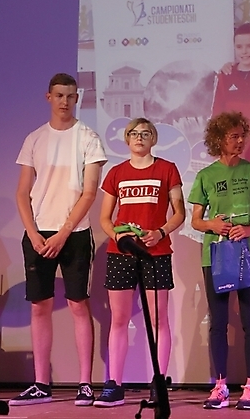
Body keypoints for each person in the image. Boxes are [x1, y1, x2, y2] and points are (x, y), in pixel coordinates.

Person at [10, 73, 107, 407]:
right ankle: (41, 383)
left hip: (74, 233)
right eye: (59, 95)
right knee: (40, 306)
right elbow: (22, 193)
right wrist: (33, 232)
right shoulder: (34, 138)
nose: (64, 101)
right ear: (48, 97)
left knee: (79, 304)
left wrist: (64, 232)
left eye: (70, 96)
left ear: (77, 98)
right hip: (39, 233)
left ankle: (85, 383)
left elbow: (89, 192)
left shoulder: (88, 137)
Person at [94, 118, 185, 407]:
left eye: (145, 133)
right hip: (120, 254)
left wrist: (160, 232)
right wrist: (119, 238)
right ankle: (114, 384)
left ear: (153, 139)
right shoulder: (116, 172)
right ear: (126, 139)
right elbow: (105, 218)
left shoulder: (167, 169)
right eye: (134, 133)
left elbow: (179, 213)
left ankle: (159, 383)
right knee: (119, 319)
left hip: (156, 253)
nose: (139, 138)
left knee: (158, 319)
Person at [188, 111, 250, 410]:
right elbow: (196, 221)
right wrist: (212, 225)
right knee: (218, 322)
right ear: (218, 140)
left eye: (242, 136)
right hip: (215, 255)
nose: (239, 142)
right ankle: (220, 386)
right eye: (233, 137)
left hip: (249, 254)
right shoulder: (206, 175)